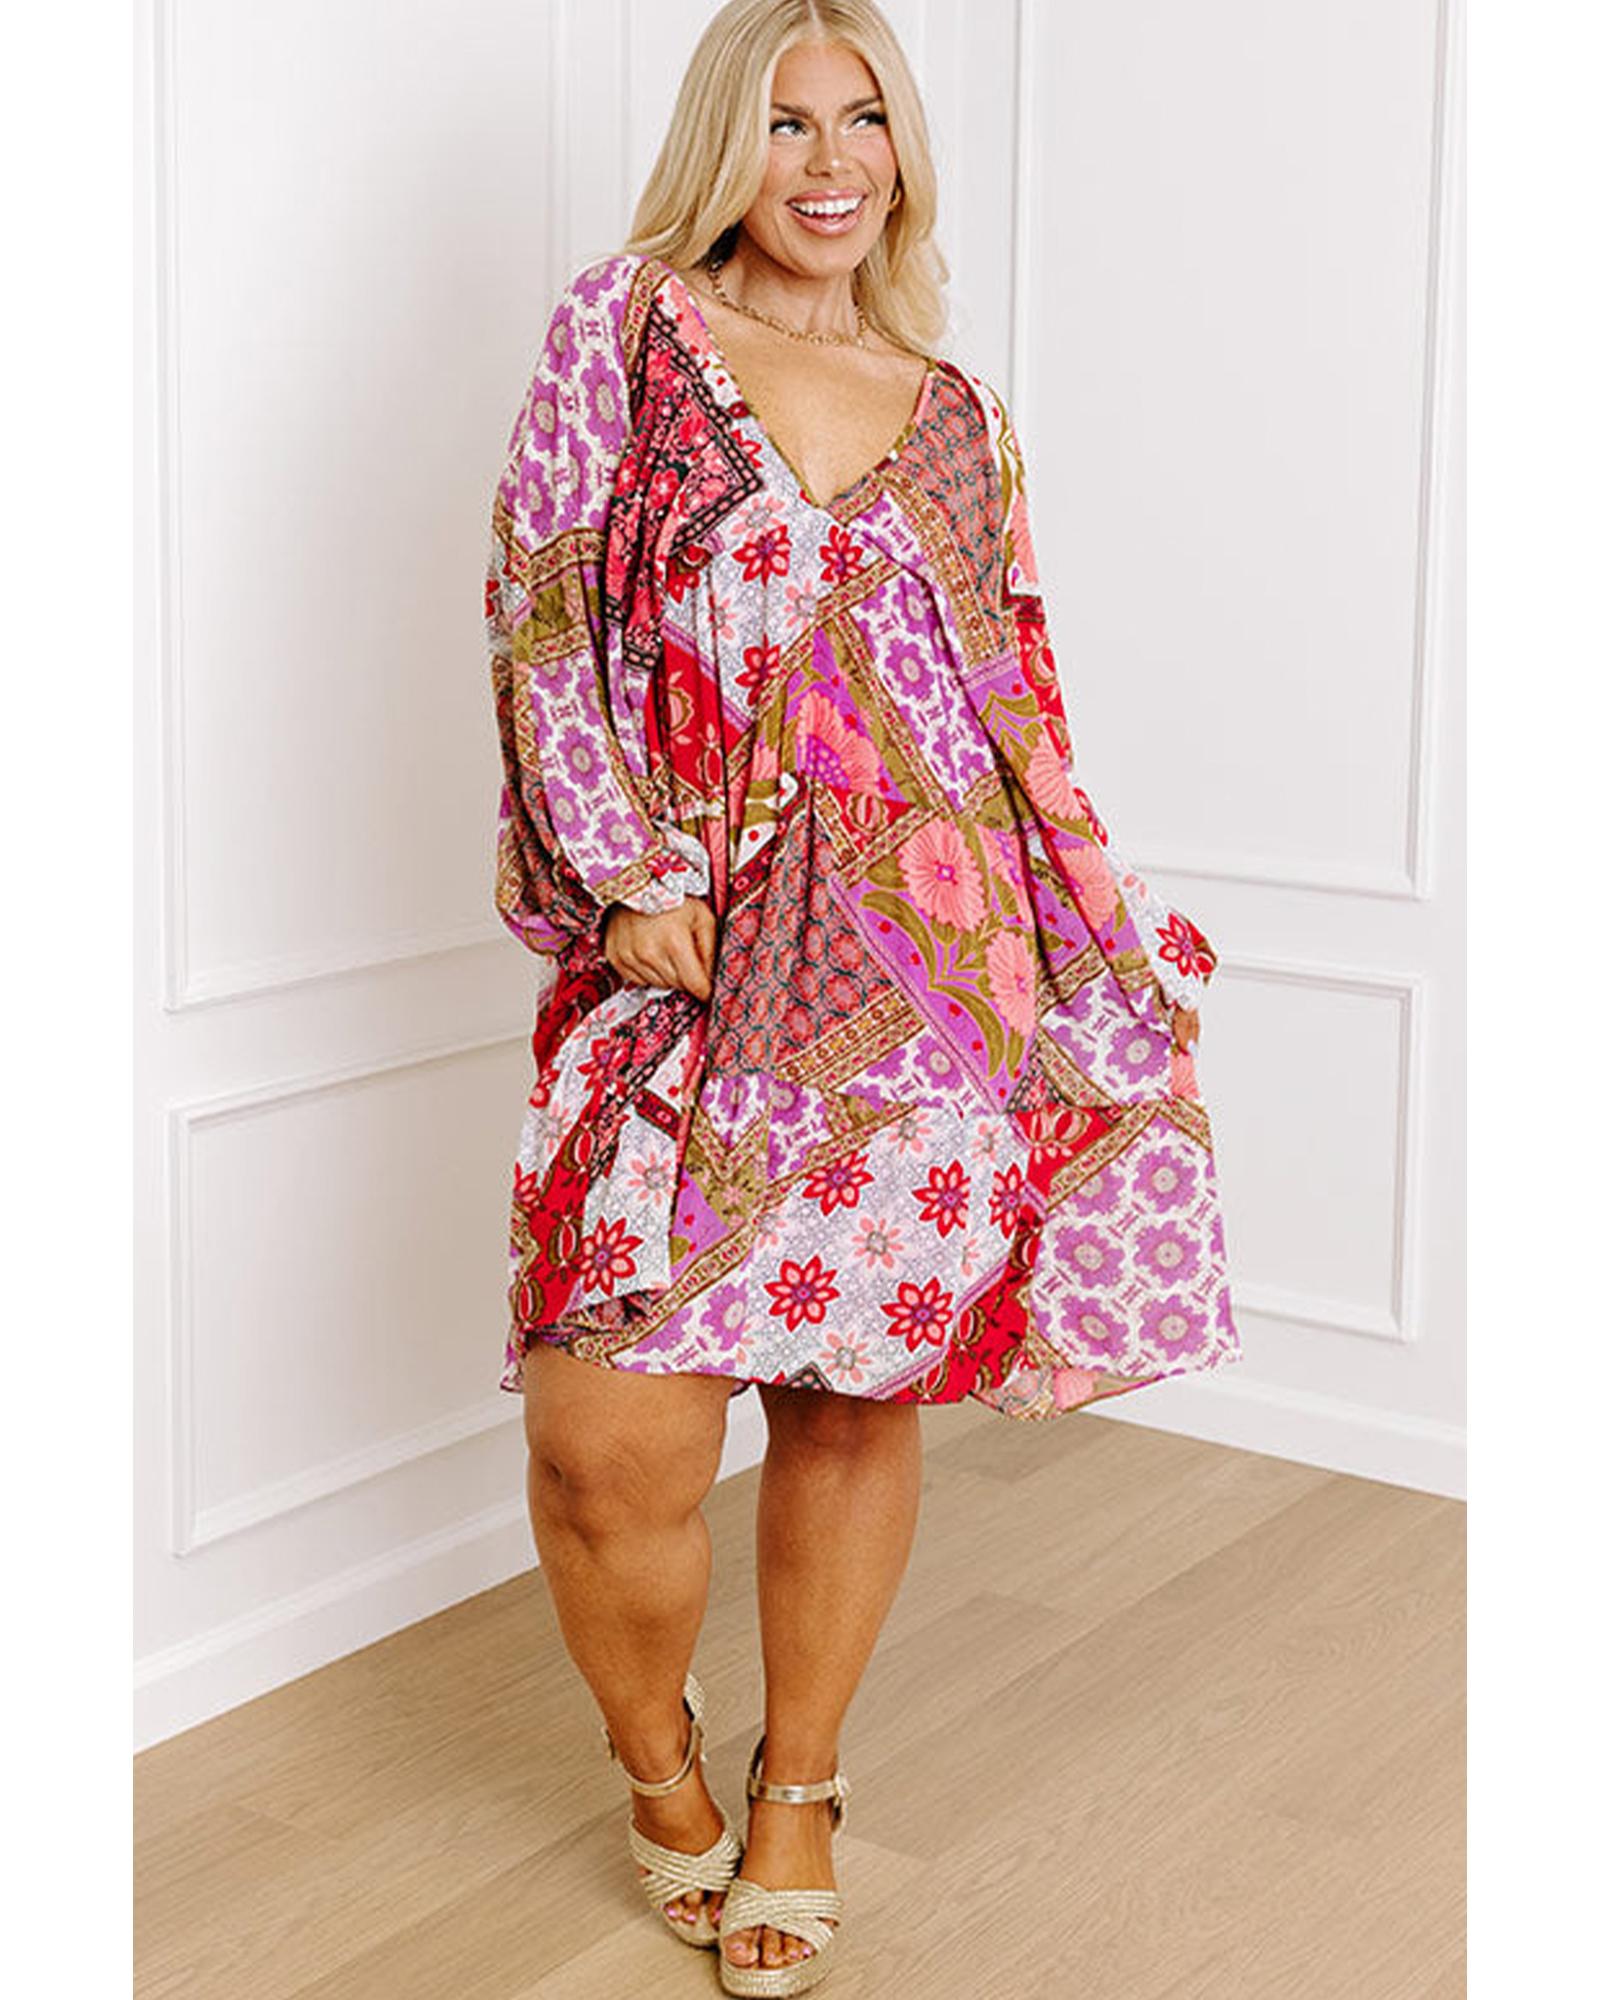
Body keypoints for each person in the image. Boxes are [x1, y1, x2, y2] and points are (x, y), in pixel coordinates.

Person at [483, 0, 1242, 1988]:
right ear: (720, 148)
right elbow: (540, 606)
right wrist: (623, 878)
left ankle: (800, 1782)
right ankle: (657, 1768)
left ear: (902, 151)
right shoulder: (627, 329)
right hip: (681, 955)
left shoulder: (955, 411)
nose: (829, 162)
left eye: (865, 120)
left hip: (926, 970)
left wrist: (1095, 933)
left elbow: (1016, 700)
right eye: (785, 122)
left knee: (845, 1402)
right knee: (608, 1447)